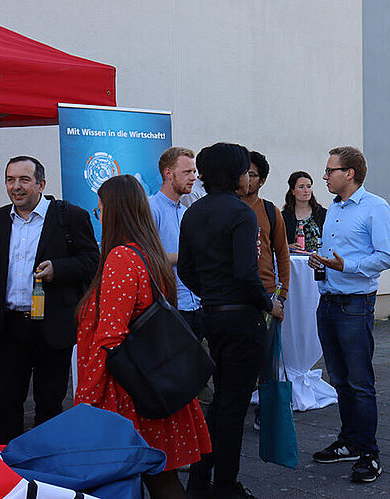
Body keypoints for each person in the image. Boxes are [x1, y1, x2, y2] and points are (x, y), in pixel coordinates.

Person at [75, 174, 211, 499]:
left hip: (127, 394)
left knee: (142, 479)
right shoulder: (147, 253)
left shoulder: (121, 258)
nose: (99, 215)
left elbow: (109, 338)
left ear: (114, 211)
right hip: (152, 383)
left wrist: (86, 402)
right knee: (159, 477)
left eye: (100, 209)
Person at [179, 142, 283, 499]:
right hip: (242, 320)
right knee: (232, 406)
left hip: (211, 315)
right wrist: (268, 303)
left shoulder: (193, 213)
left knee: (218, 402)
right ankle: (225, 485)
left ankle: (198, 481)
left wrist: (211, 292)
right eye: (244, 170)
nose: (246, 177)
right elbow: (246, 273)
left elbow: (188, 269)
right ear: (234, 174)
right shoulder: (242, 214)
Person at [0, 156, 98, 444]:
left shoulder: (71, 217)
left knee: (50, 404)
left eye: (24, 180)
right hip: (10, 327)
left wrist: (59, 269)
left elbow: (92, 261)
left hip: (52, 326)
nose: (16, 187)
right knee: (5, 402)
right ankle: (7, 467)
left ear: (41, 184)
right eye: (10, 180)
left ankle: (45, 469)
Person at [309, 146, 390, 484]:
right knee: (340, 379)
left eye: (330, 170)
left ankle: (370, 452)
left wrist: (348, 265)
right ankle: (350, 441)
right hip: (329, 300)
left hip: (355, 303)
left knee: (360, 382)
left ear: (350, 173)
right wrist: (321, 259)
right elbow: (338, 251)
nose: (325, 176)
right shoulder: (335, 207)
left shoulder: (376, 207)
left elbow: (386, 256)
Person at [148, 147, 202, 335]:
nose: (193, 177)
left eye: (194, 172)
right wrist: (187, 256)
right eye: (187, 172)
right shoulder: (151, 208)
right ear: (168, 174)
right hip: (170, 304)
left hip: (195, 303)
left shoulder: (185, 211)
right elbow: (144, 256)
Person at [242, 151, 290, 302]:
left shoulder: (271, 211)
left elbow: (282, 253)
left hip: (266, 290)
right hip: (235, 292)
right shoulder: (227, 209)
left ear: (262, 181)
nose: (247, 179)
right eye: (243, 173)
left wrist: (282, 293)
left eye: (252, 175)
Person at [281, 171, 327, 251]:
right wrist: (288, 246)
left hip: (318, 260)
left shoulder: (322, 214)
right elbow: (277, 242)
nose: (306, 190)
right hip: (294, 261)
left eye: (309, 186)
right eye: (301, 187)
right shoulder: (284, 216)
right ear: (293, 191)